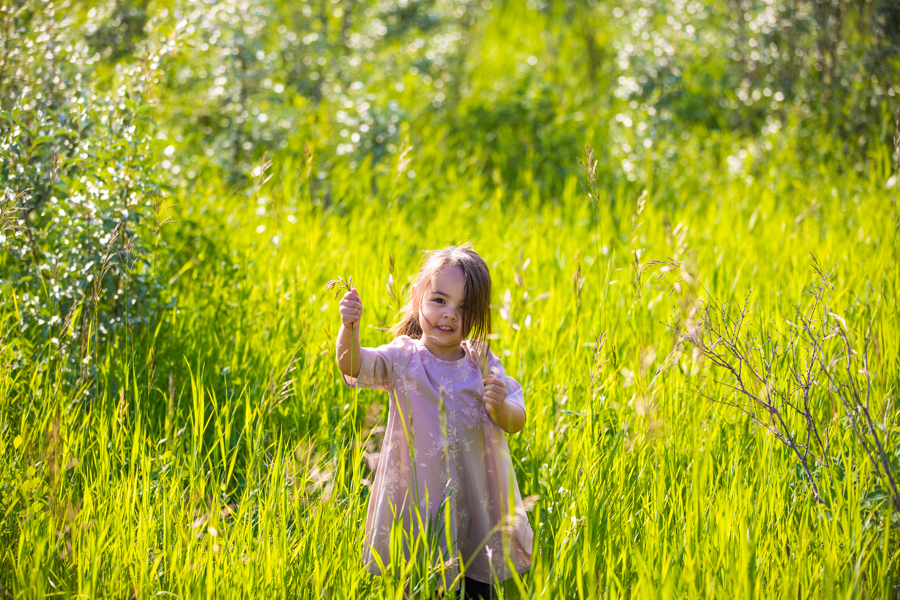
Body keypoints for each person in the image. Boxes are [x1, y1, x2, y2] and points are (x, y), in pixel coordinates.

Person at [335, 243, 533, 600]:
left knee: (476, 583)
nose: (450, 315)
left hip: (475, 502)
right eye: (440, 300)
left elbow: (517, 418)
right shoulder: (403, 358)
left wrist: (501, 407)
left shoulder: (482, 360)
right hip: (419, 505)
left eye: (464, 308)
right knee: (422, 584)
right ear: (417, 298)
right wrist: (350, 327)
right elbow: (352, 365)